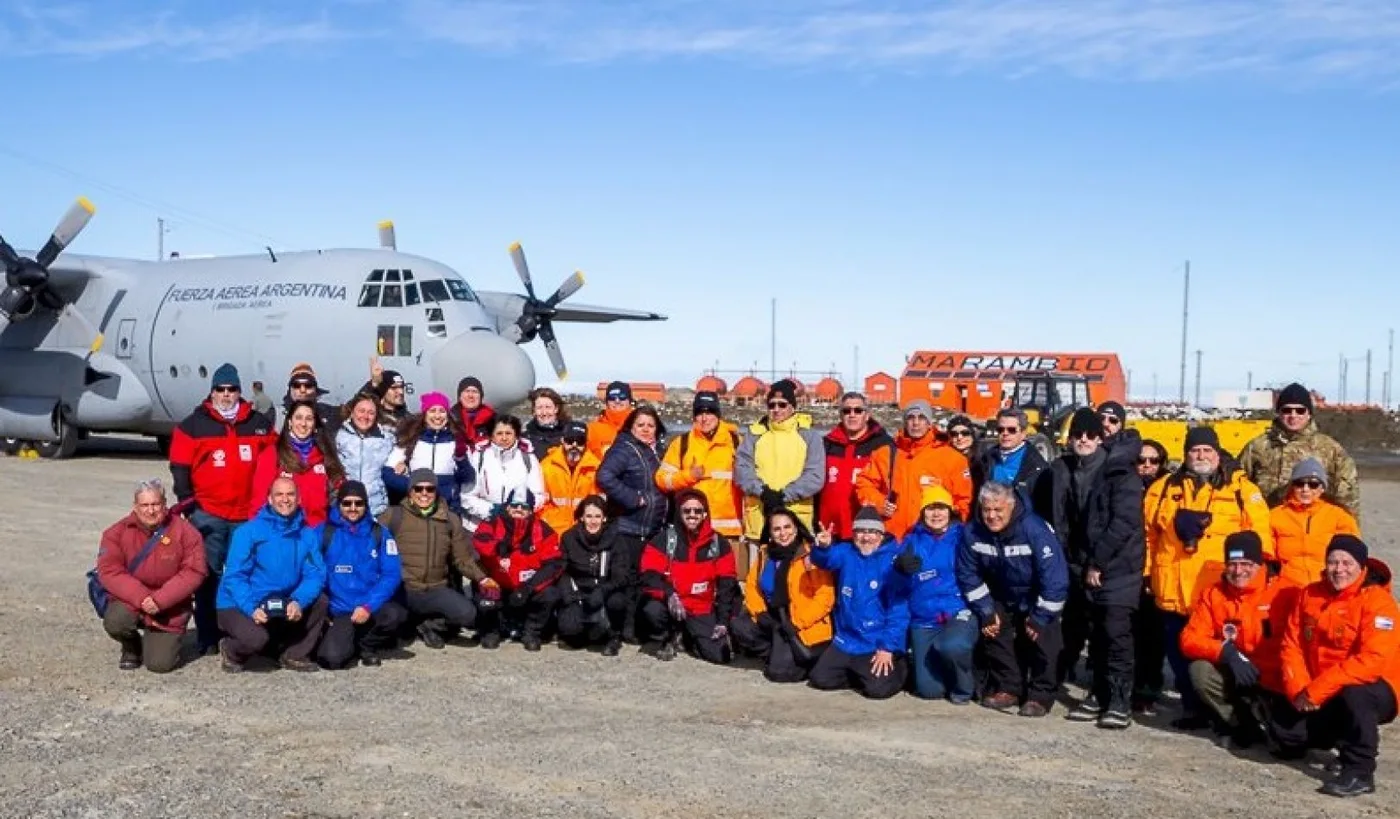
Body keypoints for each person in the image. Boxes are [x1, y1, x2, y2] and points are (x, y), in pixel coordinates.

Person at [1144, 426, 1272, 729]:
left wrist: (1256, 583)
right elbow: (1148, 535)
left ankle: (1227, 711)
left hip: (1217, 594)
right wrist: (1148, 572)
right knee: (1177, 653)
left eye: (1206, 451)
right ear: (1186, 454)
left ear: (1218, 453)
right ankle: (1192, 709)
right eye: (1194, 451)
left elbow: (1262, 539)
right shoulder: (1163, 488)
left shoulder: (1241, 490)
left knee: (1214, 658)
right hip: (1172, 588)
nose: (1200, 456)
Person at [1275, 535, 1400, 798]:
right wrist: (1299, 689)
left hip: (1374, 687)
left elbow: (1372, 661)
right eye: (1333, 562)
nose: (1339, 569)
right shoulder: (1309, 594)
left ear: (1361, 567)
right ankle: (1333, 737)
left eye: (1347, 563)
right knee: (1287, 736)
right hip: (1321, 687)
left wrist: (1317, 690)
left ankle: (1359, 770)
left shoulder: (1378, 601)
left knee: (1357, 695)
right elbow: (1292, 645)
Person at [168, 362, 278, 655]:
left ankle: (248, 631)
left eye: (231, 390)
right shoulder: (193, 424)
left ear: (239, 392)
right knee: (208, 575)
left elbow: (273, 464)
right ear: (212, 391)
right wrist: (189, 504)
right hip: (209, 514)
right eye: (221, 389)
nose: (226, 395)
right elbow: (179, 467)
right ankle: (208, 634)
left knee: (248, 574)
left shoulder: (258, 423)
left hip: (247, 516)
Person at [1049, 408, 1144, 729]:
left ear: (1101, 438)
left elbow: (1125, 522)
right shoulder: (1066, 469)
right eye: (1078, 435)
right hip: (1082, 563)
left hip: (1118, 565)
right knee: (1096, 633)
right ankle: (1099, 692)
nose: (1084, 440)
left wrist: (1097, 563)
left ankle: (1119, 701)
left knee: (1116, 632)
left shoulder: (1119, 472)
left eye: (1090, 435)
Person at [957, 481, 1069, 717]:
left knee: (1045, 637)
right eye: (987, 510)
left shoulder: (1035, 529)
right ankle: (1008, 688)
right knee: (993, 629)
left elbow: (1055, 578)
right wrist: (986, 610)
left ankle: (1041, 694)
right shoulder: (973, 531)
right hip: (1000, 593)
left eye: (998, 510)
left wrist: (1040, 616)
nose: (992, 516)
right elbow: (967, 574)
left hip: (1036, 594)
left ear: (1011, 506)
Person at [1179, 531, 1290, 747]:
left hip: (1275, 677)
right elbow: (1189, 639)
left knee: (1287, 743)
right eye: (1232, 563)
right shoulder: (1214, 594)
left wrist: (1262, 671)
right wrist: (1226, 652)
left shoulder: (1285, 592)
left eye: (1246, 563)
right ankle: (1240, 722)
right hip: (1235, 671)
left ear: (1260, 563)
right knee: (1200, 671)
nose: (1239, 571)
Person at [215, 477, 329, 673]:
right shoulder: (248, 532)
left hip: (281, 600)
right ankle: (230, 649)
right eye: (279, 494)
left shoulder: (306, 534)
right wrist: (250, 608)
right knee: (256, 640)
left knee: (321, 601)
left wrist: (298, 601)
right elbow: (234, 577)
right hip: (239, 602)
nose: (285, 499)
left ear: (299, 499)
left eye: (290, 494)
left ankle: (294, 654)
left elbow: (315, 575)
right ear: (269, 499)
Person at [96, 478, 207, 672]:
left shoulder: (186, 532)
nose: (151, 510)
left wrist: (161, 600)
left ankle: (161, 641)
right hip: (133, 599)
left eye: (156, 504)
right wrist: (142, 598)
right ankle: (131, 646)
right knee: (116, 621)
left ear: (164, 504)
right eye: (145, 505)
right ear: (135, 507)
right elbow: (109, 571)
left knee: (159, 665)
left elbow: (195, 571)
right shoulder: (116, 533)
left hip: (169, 605)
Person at [380, 469, 495, 649]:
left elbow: (462, 558)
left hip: (435, 588)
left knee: (468, 615)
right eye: (418, 489)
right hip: (403, 588)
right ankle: (409, 624)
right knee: (393, 623)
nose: (424, 494)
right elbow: (373, 550)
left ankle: (429, 625)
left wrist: (483, 578)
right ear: (410, 492)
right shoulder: (393, 515)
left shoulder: (450, 519)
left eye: (429, 489)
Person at [806, 507, 910, 699]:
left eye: (872, 532)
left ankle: (900, 664)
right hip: (847, 639)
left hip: (875, 640)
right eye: (861, 531)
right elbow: (825, 560)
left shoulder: (892, 559)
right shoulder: (847, 552)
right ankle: (859, 674)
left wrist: (887, 648)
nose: (866, 537)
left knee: (877, 691)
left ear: (881, 534)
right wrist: (823, 547)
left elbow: (899, 610)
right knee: (820, 679)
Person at [731, 507, 834, 683]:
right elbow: (752, 586)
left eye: (787, 527)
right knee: (739, 626)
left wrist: (797, 623)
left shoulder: (810, 555)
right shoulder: (765, 554)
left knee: (779, 674)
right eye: (777, 529)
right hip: (775, 618)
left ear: (796, 528)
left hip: (801, 622)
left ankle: (790, 657)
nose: (783, 533)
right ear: (770, 533)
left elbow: (825, 597)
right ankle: (777, 652)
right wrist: (760, 613)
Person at [638, 490, 739, 663]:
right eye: (687, 511)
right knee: (652, 610)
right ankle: (668, 636)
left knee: (720, 656)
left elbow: (727, 584)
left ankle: (688, 637)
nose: (692, 515)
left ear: (705, 513)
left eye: (697, 511)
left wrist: (723, 621)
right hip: (673, 606)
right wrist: (669, 594)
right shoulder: (664, 540)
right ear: (679, 512)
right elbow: (648, 575)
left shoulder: (719, 544)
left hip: (702, 608)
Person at [899, 486, 977, 703]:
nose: (936, 514)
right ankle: (944, 674)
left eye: (941, 508)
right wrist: (899, 568)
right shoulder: (911, 539)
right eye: (930, 508)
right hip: (924, 618)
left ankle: (965, 687)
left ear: (950, 510)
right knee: (929, 690)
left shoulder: (963, 535)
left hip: (957, 611)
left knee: (952, 645)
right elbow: (897, 581)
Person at [316, 481, 406, 669]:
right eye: (347, 503)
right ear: (338, 504)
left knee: (396, 614)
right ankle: (350, 641)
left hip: (369, 606)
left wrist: (368, 606)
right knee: (331, 659)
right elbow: (311, 572)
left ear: (366, 505)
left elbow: (391, 574)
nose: (353, 508)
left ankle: (367, 646)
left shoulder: (380, 533)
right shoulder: (323, 532)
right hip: (340, 610)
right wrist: (323, 609)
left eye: (359, 503)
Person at [597, 406, 669, 642]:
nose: (646, 430)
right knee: (626, 580)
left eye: (651, 425)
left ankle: (639, 626)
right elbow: (604, 476)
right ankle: (623, 629)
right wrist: (632, 498)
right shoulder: (624, 449)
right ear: (631, 427)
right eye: (641, 425)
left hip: (652, 528)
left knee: (644, 579)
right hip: (629, 526)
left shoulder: (657, 451)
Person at [735, 379, 825, 567]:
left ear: (792, 406)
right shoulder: (754, 434)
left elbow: (815, 476)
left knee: (798, 580)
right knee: (757, 579)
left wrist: (783, 496)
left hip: (796, 524)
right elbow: (742, 469)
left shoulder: (809, 436)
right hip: (759, 521)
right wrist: (763, 493)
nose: (776, 409)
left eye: (782, 405)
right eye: (772, 405)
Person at [856, 399, 973, 538]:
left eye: (921, 417)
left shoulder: (953, 458)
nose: (916, 423)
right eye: (911, 417)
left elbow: (962, 502)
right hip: (892, 537)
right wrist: (879, 504)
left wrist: (950, 533)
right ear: (905, 422)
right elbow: (864, 483)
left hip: (932, 538)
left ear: (930, 423)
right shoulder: (885, 454)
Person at [655, 391, 744, 573]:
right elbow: (662, 479)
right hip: (691, 528)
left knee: (728, 580)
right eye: (699, 413)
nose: (704, 418)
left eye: (710, 412)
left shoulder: (735, 442)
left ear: (718, 415)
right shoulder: (681, 444)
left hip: (729, 531)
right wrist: (689, 476)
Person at [1240, 382, 1359, 516]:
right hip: (1265, 524)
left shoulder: (1329, 449)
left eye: (1300, 410)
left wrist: (1350, 533)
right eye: (1287, 410)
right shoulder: (1258, 446)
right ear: (1278, 412)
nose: (1293, 415)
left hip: (1312, 527)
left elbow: (1347, 496)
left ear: (1309, 414)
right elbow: (1238, 486)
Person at [471, 487, 565, 650]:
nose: (519, 510)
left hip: (526, 587)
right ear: (507, 507)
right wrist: (497, 546)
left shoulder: (543, 530)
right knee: (485, 591)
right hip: (498, 583)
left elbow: (554, 564)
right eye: (514, 505)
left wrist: (527, 588)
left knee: (550, 594)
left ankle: (531, 632)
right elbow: (478, 540)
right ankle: (492, 630)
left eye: (524, 506)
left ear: (531, 510)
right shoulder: (492, 523)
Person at [248, 399, 345, 527]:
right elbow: (260, 498)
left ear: (315, 424)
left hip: (317, 531)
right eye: (298, 418)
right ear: (289, 422)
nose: (303, 423)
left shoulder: (325, 455)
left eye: (309, 419)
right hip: (282, 531)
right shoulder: (273, 454)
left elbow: (339, 495)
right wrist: (257, 531)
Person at [1270, 457, 1361, 589]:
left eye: (1313, 485)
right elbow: (1266, 557)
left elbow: (1352, 558)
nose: (1305, 489)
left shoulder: (1339, 517)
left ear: (1322, 488)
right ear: (1292, 486)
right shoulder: (1275, 516)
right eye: (1300, 484)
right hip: (1285, 587)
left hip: (1326, 586)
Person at [556, 496, 631, 655]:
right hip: (579, 592)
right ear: (582, 517)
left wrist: (603, 590)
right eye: (589, 516)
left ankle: (613, 635)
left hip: (605, 591)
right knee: (571, 634)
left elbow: (622, 575)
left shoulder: (617, 539)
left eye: (597, 516)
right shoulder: (569, 538)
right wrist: (569, 596)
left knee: (617, 601)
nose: (593, 521)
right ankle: (589, 631)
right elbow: (561, 570)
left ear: (604, 518)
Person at [818, 391, 894, 541]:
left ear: (867, 415)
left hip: (865, 530)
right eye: (847, 411)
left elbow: (890, 485)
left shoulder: (883, 445)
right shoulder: (827, 443)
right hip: (830, 529)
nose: (852, 415)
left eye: (858, 410)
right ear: (840, 415)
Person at [383, 392, 475, 513]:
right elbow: (387, 473)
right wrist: (414, 488)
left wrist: (461, 458)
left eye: (442, 411)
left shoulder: (457, 441)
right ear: (425, 414)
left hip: (447, 509)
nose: (437, 416)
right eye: (432, 410)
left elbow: (469, 479)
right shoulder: (410, 439)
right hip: (414, 509)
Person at [1133, 438, 1171, 716]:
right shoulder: (1126, 487)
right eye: (1141, 460)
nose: (1147, 466)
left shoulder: (1169, 491)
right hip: (1129, 568)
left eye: (1153, 461)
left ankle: (1149, 689)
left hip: (1158, 570)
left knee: (1153, 636)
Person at [463, 415, 545, 530]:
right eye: (499, 433)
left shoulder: (528, 458)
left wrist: (519, 510)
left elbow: (539, 495)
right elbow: (467, 496)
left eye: (508, 433)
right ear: (492, 435)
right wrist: (493, 510)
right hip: (482, 527)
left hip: (517, 527)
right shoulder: (478, 458)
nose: (504, 438)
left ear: (516, 435)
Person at [970, 408, 1051, 517]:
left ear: (1023, 433)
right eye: (1000, 430)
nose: (1005, 433)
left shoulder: (1037, 466)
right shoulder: (985, 459)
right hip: (989, 520)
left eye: (1011, 430)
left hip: (1021, 525)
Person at [335, 393, 397, 516]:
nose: (365, 416)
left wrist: (402, 466)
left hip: (377, 508)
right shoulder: (338, 437)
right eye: (361, 411)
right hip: (346, 507)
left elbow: (398, 464)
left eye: (371, 413)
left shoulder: (387, 439)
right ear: (352, 413)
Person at [540, 421, 601, 535]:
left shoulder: (596, 468)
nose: (574, 445)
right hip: (553, 530)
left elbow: (598, 504)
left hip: (584, 531)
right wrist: (548, 523)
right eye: (569, 440)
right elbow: (540, 503)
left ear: (586, 443)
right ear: (562, 441)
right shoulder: (546, 466)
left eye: (580, 442)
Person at [282, 362, 341, 429]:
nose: (303, 390)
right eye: (297, 385)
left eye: (308, 385)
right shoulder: (278, 417)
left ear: (315, 390)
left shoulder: (331, 414)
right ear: (290, 389)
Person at [587, 380, 635, 461]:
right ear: (606, 402)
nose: (617, 401)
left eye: (622, 397)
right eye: (612, 398)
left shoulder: (640, 427)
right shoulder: (592, 429)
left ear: (630, 401)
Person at [451, 376, 498, 454]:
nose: (470, 395)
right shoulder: (449, 420)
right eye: (467, 391)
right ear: (459, 396)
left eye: (475, 392)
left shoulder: (494, 420)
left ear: (481, 396)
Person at [524, 386, 571, 456]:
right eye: (539, 407)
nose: (544, 412)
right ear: (534, 411)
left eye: (548, 407)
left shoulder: (569, 435)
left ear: (556, 409)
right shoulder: (525, 439)